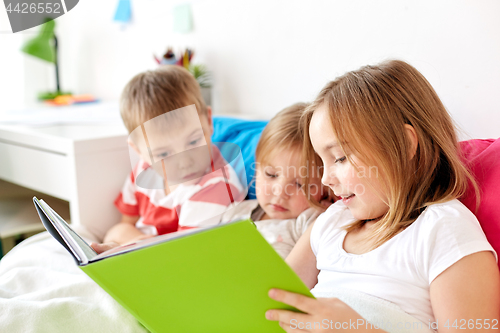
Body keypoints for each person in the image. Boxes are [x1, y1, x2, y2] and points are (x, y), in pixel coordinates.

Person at [265, 60, 500, 331]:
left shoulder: (443, 231)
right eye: (323, 162)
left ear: (404, 144)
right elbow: (271, 304)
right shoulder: (330, 224)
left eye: (340, 158)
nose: (326, 179)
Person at [103, 65, 245, 246]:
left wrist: (128, 242)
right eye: (163, 154)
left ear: (209, 121)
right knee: (116, 231)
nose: (185, 162)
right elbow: (126, 223)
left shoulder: (215, 185)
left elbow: (186, 253)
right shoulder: (143, 169)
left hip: (181, 256)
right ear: (138, 151)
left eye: (193, 142)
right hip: (149, 250)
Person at [220, 103, 333, 258]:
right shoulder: (234, 212)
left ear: (326, 187)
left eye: (300, 184)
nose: (280, 192)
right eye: (271, 174)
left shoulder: (310, 222)